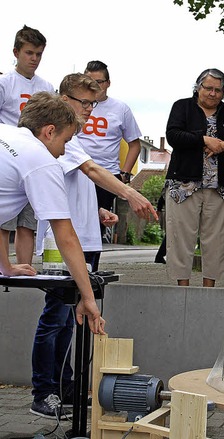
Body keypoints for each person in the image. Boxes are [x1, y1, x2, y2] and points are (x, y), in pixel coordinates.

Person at [29, 74, 156, 419]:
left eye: (93, 103)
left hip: (84, 238)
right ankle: (43, 391)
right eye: (82, 101)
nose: (88, 109)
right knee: (54, 318)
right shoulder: (62, 137)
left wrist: (96, 211)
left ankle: (65, 384)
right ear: (63, 98)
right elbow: (94, 172)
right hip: (61, 242)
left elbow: (76, 186)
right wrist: (129, 192)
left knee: (73, 319)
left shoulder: (76, 139)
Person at [0, 92, 107, 417]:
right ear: (48, 131)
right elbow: (66, 235)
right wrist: (88, 297)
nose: (64, 150)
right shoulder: (41, 160)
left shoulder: (6, 134)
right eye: (66, 139)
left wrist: (5, 267)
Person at [165, 68, 224, 287]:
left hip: (219, 188)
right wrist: (204, 140)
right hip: (183, 186)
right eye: (208, 88)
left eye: (218, 90)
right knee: (180, 239)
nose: (212, 93)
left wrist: (223, 146)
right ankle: (182, 290)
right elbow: (173, 135)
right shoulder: (182, 107)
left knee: (216, 241)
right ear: (198, 87)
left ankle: (208, 291)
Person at [0, 25, 55, 266]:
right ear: (16, 52)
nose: (34, 59)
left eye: (39, 54)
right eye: (29, 53)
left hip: (34, 159)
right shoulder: (5, 83)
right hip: (9, 158)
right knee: (4, 221)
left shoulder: (47, 86)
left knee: (28, 222)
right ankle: (4, 267)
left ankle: (25, 268)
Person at [80, 60, 143, 240]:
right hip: (78, 170)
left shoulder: (120, 109)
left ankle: (91, 265)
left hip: (106, 174)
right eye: (89, 81)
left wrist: (125, 173)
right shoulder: (77, 104)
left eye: (99, 81)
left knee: (98, 222)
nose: (95, 86)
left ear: (108, 83)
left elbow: (134, 144)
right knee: (75, 219)